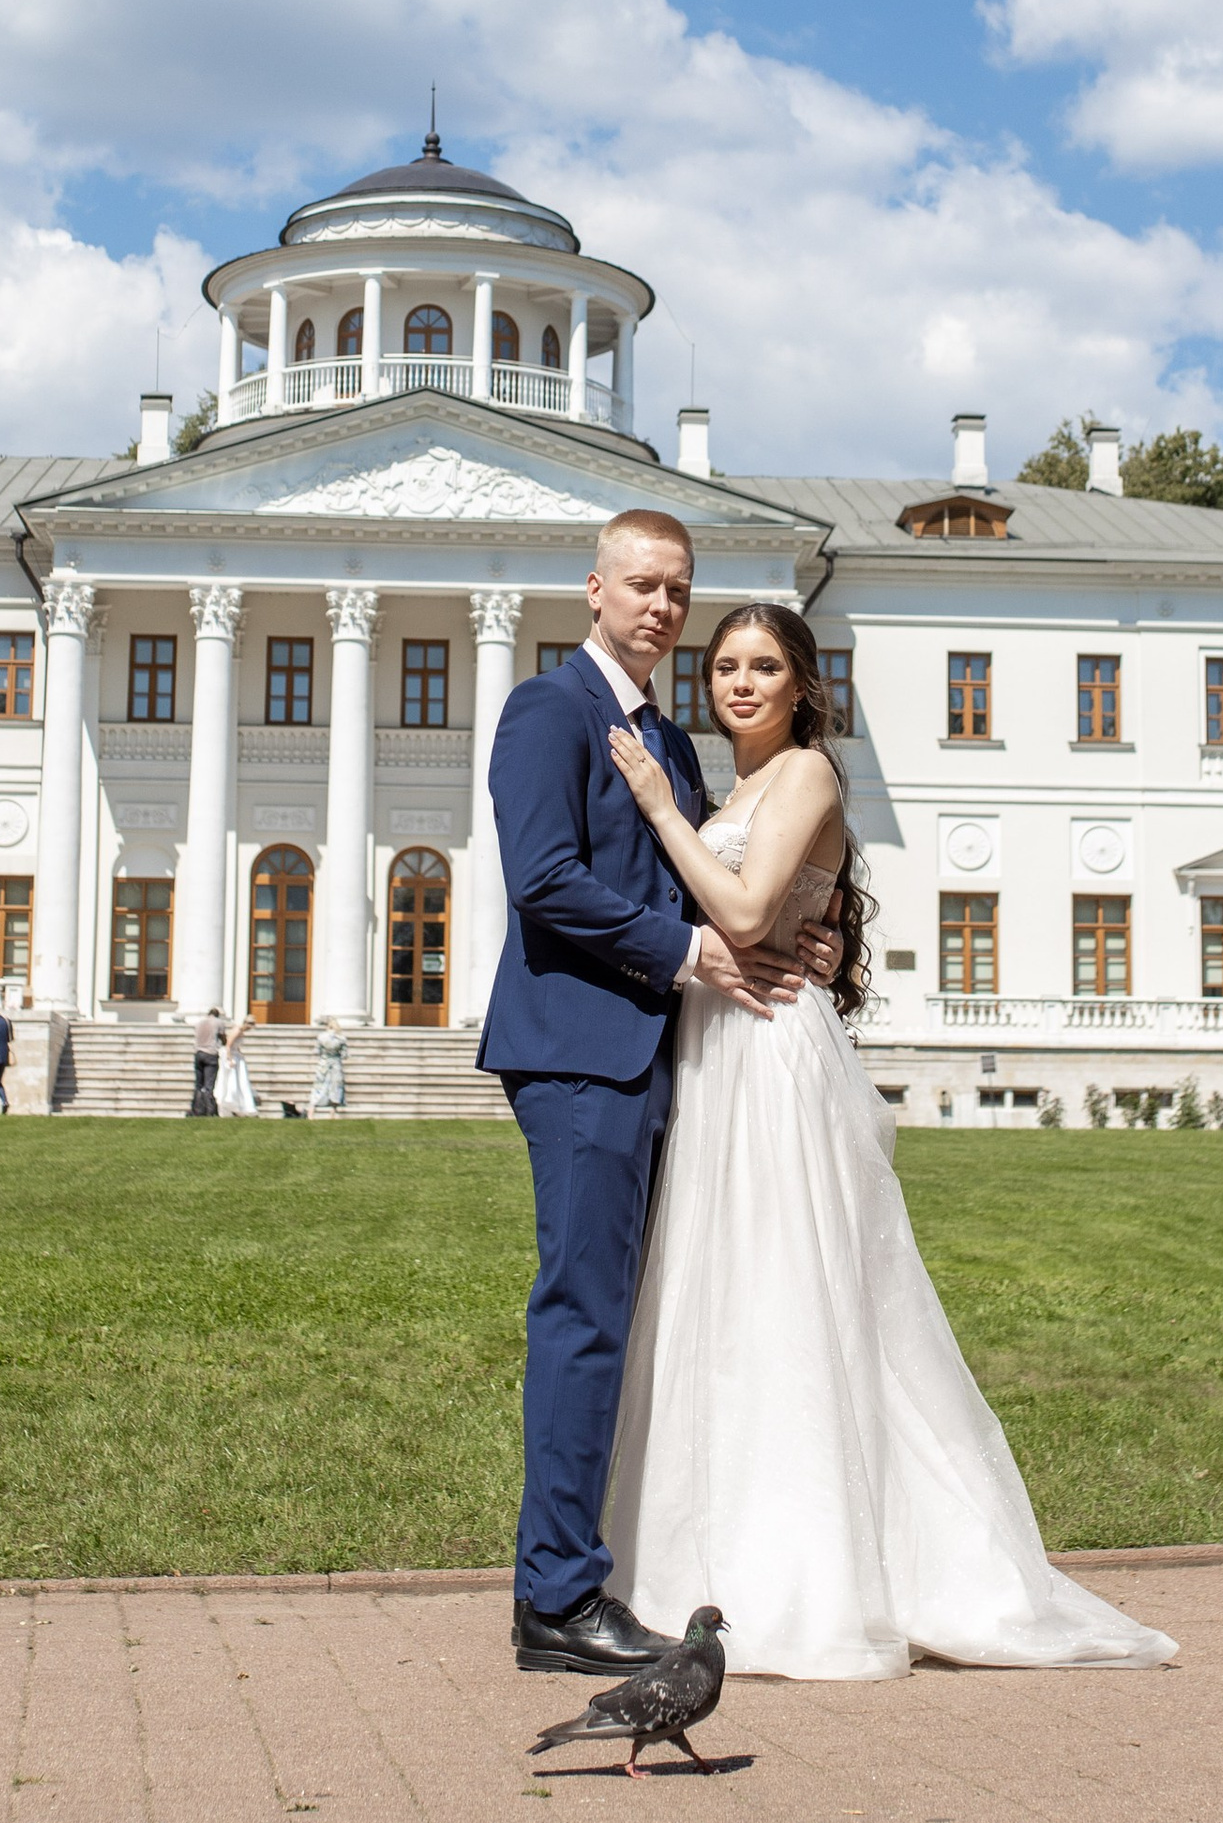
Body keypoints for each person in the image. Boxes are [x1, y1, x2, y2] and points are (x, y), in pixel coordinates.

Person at [599, 601, 1177, 1679]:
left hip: (769, 1058)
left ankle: (810, 1578)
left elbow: (738, 909)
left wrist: (653, 809)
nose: (738, 682)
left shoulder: (807, 773)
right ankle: (705, 1561)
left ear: (802, 684)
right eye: (723, 665)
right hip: (722, 1050)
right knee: (721, 1300)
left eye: (763, 665)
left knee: (789, 1296)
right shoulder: (739, 787)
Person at [480, 510, 837, 1679]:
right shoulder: (551, 709)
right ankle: (555, 1597)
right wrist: (689, 958)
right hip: (581, 1054)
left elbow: (715, 885)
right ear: (593, 589)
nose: (661, 608)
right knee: (583, 1316)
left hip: (668, 1062)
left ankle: (594, 1569)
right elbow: (541, 881)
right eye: (640, 584)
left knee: (639, 1324)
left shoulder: (673, 748)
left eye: (676, 590)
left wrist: (807, 941)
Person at [215, 1014, 259, 1117]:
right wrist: (230, 1059)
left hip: (236, 1055)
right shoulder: (238, 1029)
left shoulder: (241, 1031)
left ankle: (240, 1106)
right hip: (231, 1056)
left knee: (240, 1081)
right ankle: (231, 1104)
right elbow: (229, 1045)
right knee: (232, 1081)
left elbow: (236, 1045)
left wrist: (240, 1053)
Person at [190, 1008, 223, 1117]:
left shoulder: (200, 1022)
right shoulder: (218, 1022)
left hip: (198, 1053)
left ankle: (197, 1109)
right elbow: (222, 1037)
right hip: (210, 1053)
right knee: (209, 1085)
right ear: (217, 1015)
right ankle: (210, 1110)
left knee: (198, 1085)